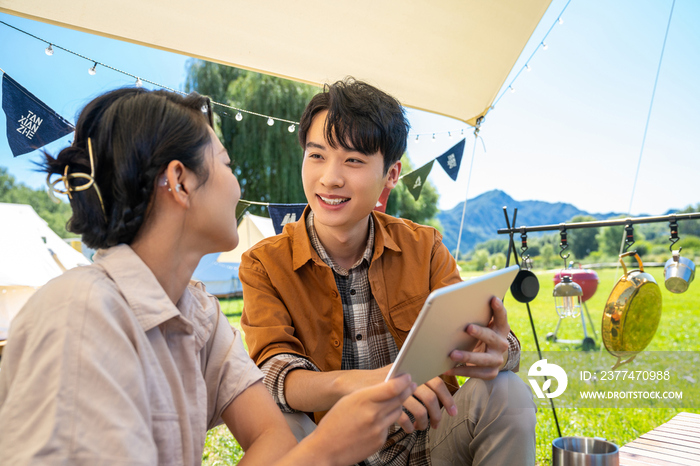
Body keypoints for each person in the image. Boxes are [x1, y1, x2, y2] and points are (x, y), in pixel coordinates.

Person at [0, 87, 417, 466]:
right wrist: (327, 448)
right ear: (180, 182)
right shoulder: (81, 314)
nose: (237, 186)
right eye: (226, 164)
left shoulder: (198, 313)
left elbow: (273, 435)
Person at [240, 78, 537, 465]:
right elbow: (276, 373)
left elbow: (487, 336)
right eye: (317, 155)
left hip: (429, 442)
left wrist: (499, 350)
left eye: (354, 160)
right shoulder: (264, 262)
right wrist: (379, 382)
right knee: (281, 418)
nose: (330, 177)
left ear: (391, 176)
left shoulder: (424, 247)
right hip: (331, 449)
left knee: (506, 390)